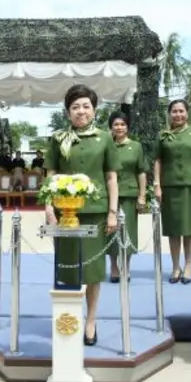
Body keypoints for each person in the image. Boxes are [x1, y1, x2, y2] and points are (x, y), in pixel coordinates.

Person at [44, 84, 120, 346]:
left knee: (93, 271)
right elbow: (50, 175)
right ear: (68, 112)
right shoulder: (58, 139)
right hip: (64, 214)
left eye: (86, 106)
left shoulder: (105, 138)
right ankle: (68, 318)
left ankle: (90, 321)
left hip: (95, 213)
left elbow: (111, 178)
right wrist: (47, 209)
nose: (81, 111)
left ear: (94, 110)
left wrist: (112, 213)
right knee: (68, 268)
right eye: (75, 107)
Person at [153, 100, 191, 285]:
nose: (178, 115)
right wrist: (157, 185)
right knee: (173, 229)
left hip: (190, 186)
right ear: (169, 114)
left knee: (189, 229)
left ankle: (188, 266)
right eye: (174, 111)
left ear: (187, 114)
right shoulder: (163, 135)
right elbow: (158, 161)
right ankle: (175, 266)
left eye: (181, 111)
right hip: (169, 187)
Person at [107, 111, 147, 282]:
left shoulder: (136, 146)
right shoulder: (107, 145)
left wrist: (142, 196)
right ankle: (114, 267)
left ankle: (126, 267)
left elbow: (142, 172)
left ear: (127, 127)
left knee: (128, 232)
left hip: (130, 195)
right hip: (109, 196)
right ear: (111, 127)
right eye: (116, 124)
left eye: (122, 124)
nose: (119, 127)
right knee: (111, 231)